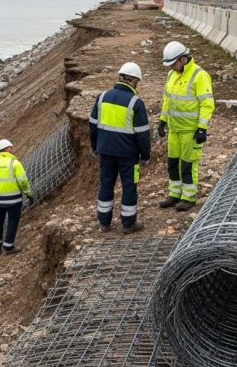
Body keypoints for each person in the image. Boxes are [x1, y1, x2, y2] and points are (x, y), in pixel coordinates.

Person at [89, 62, 151, 233]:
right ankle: (128, 223)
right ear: (132, 80)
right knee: (129, 187)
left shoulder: (102, 97)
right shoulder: (135, 102)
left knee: (106, 184)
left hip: (105, 151)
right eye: (137, 81)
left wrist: (94, 146)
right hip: (128, 155)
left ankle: (104, 222)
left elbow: (92, 125)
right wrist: (145, 155)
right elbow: (142, 134)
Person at [157, 41, 214, 211]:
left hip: (190, 130)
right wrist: (162, 120)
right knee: (173, 163)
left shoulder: (199, 75)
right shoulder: (171, 75)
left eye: (173, 64)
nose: (171, 67)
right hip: (174, 129)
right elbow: (168, 100)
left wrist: (202, 128)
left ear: (183, 59)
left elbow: (207, 104)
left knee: (188, 164)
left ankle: (188, 198)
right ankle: (174, 195)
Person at [0, 139, 33, 255]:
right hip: (14, 199)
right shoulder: (14, 163)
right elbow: (23, 181)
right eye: (11, 147)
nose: (12, 149)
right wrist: (28, 193)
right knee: (12, 221)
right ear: (8, 148)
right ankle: (8, 247)